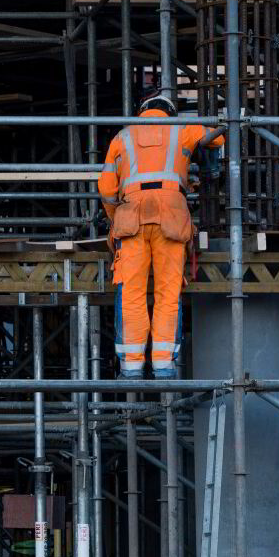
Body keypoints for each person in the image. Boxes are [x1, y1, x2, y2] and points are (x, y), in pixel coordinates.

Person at [97, 92, 224, 379]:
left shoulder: (122, 137)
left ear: (142, 111)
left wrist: (115, 217)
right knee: (168, 293)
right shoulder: (182, 129)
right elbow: (217, 138)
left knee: (131, 293)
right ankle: (163, 363)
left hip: (131, 216)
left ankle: (131, 364)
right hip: (171, 213)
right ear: (169, 112)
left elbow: (105, 186)